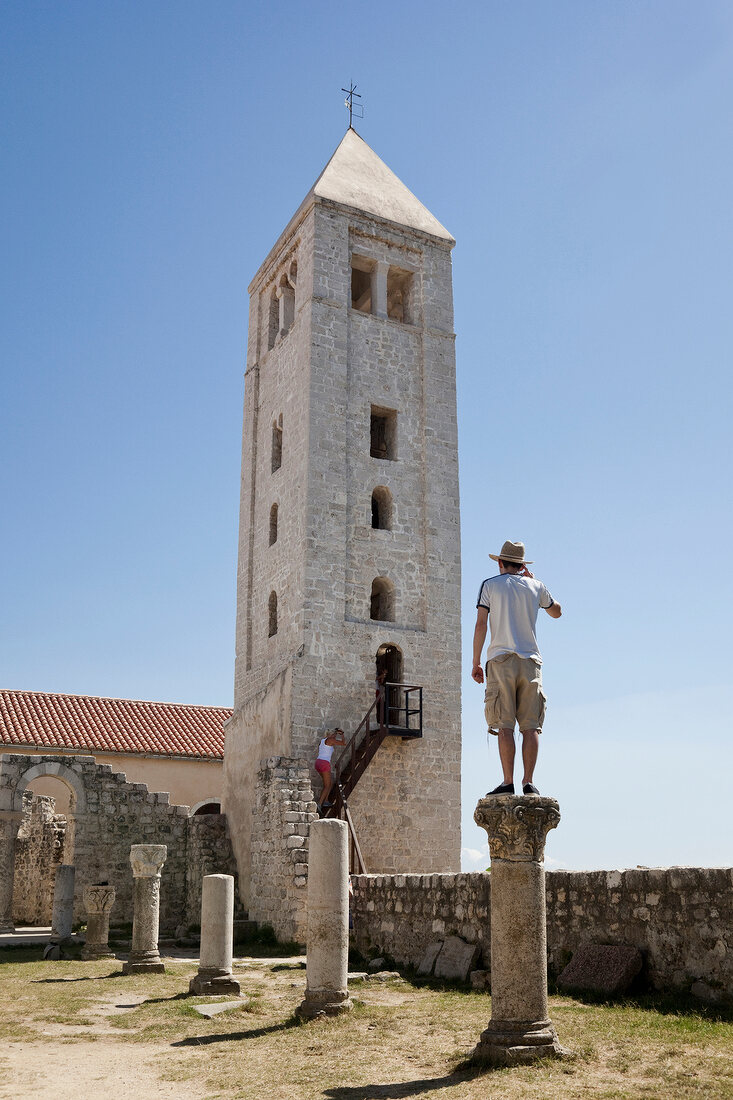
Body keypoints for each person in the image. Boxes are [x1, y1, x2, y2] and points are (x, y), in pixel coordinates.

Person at [471, 540, 562, 795]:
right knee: (531, 725)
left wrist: (476, 662)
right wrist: (534, 582)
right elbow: (557, 612)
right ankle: (528, 782)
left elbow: (481, 625)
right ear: (522, 566)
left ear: (500, 563)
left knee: (504, 725)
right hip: (531, 661)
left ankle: (508, 781)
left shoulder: (490, 585)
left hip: (500, 659)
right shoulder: (536, 586)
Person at [315, 728, 346, 810]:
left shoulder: (322, 741)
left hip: (318, 762)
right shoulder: (330, 739)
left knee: (329, 783)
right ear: (332, 734)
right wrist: (342, 734)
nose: (336, 736)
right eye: (335, 734)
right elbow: (343, 743)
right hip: (324, 763)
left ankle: (326, 800)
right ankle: (319, 804)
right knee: (327, 785)